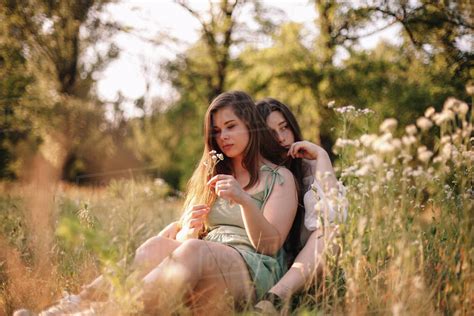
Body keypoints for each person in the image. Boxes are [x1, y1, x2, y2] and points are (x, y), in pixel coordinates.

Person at [14, 91, 298, 316]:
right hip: (205, 258)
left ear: (251, 124)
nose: (222, 136)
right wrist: (189, 229)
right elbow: (189, 238)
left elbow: (270, 244)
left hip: (252, 271)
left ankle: (103, 313)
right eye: (216, 131)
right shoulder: (214, 172)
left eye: (230, 126)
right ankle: (67, 308)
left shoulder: (279, 178)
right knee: (156, 245)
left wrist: (245, 201)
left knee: (195, 250)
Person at [254, 98, 348, 313]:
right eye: (271, 133)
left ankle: (274, 300)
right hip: (272, 262)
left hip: (313, 263)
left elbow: (333, 216)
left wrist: (321, 156)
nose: (281, 138)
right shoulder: (259, 173)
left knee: (331, 233)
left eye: (284, 127)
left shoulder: (311, 167)